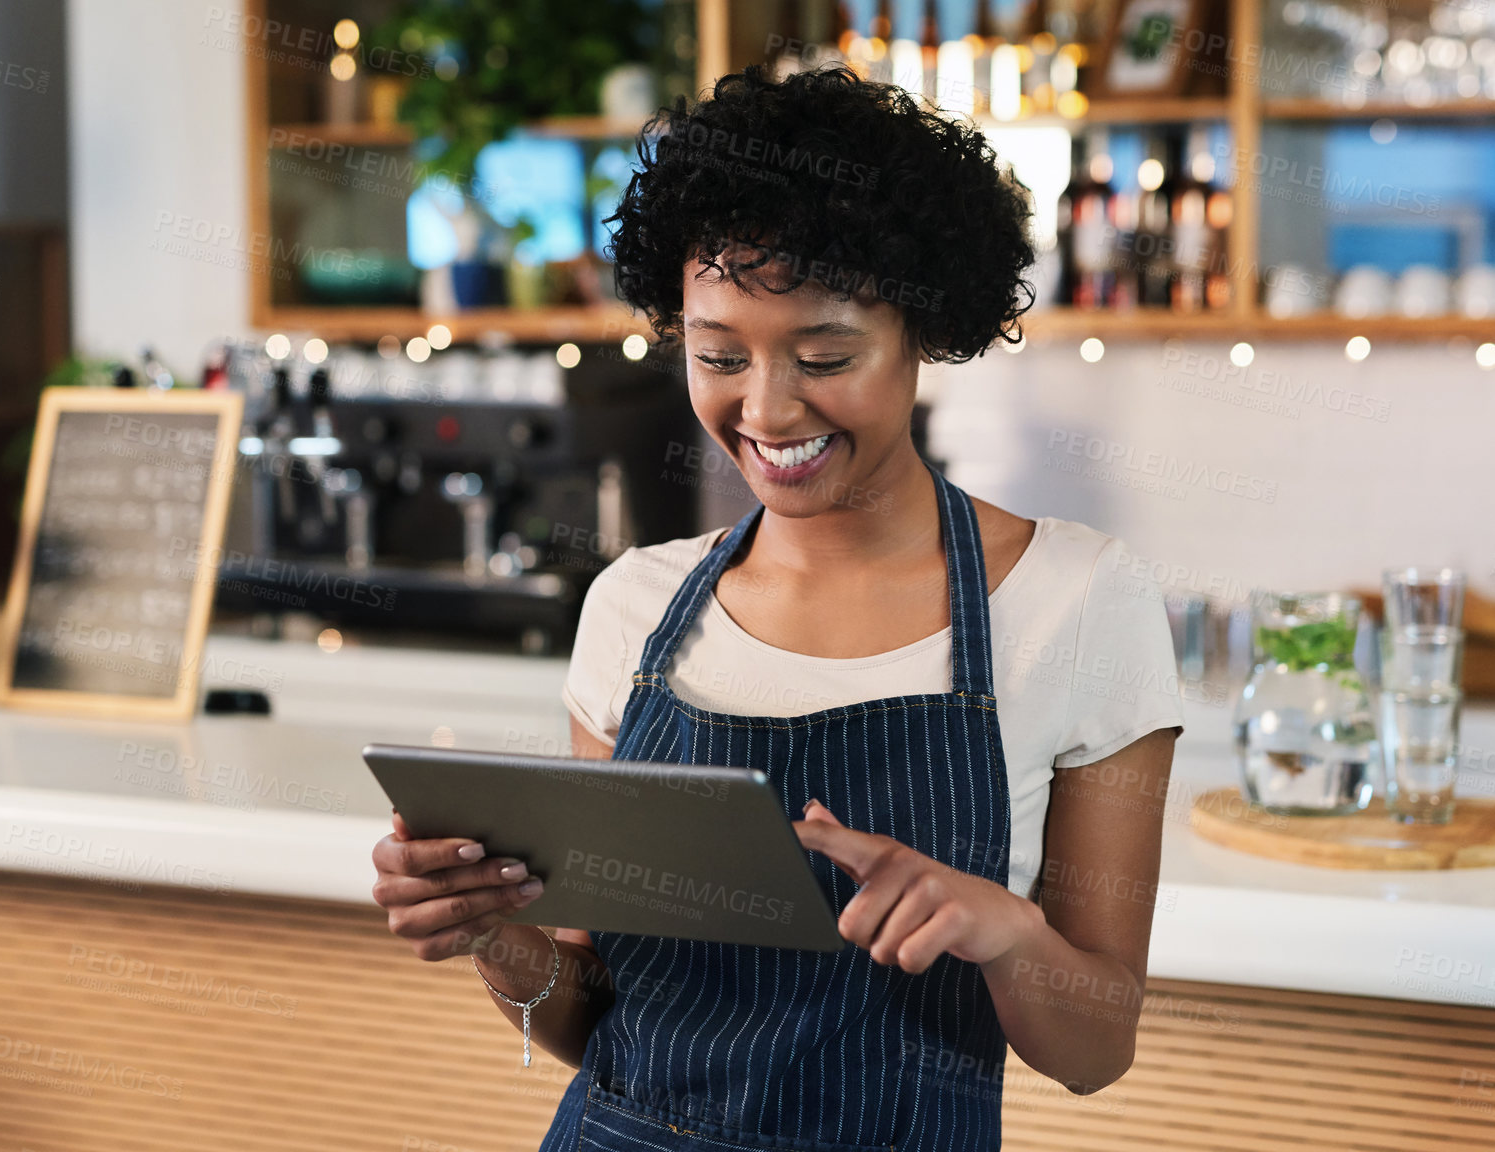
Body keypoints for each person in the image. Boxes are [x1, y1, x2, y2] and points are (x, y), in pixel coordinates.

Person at [372, 63, 1184, 1151]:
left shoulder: (1079, 600)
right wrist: (493, 933)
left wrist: (1001, 930)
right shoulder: (634, 610)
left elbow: (1096, 1052)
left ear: (920, 335)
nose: (764, 409)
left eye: (823, 355)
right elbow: (592, 1020)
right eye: (717, 356)